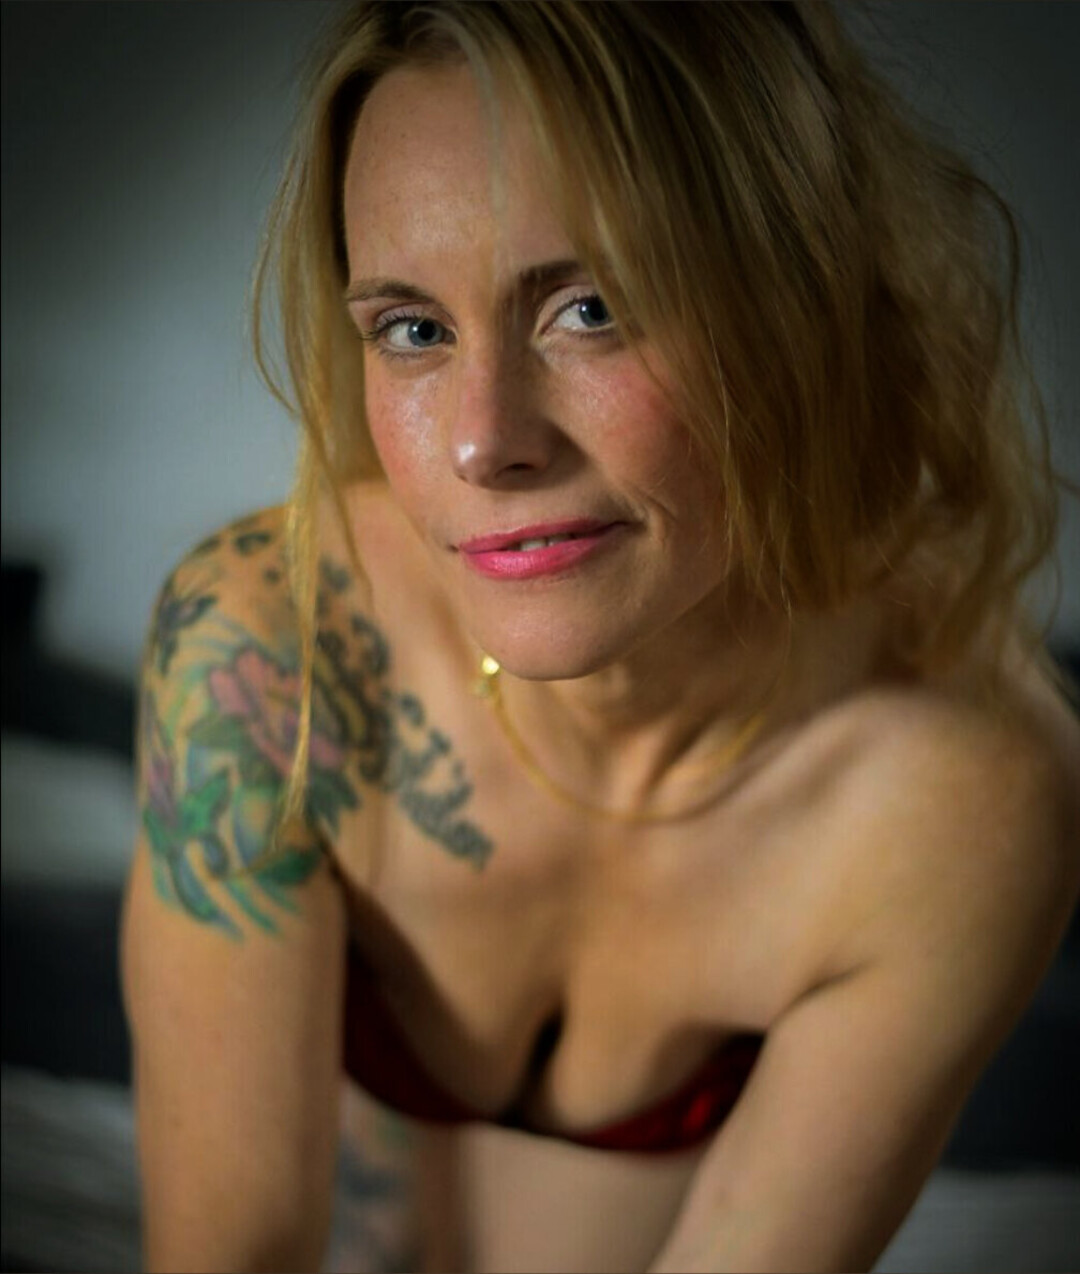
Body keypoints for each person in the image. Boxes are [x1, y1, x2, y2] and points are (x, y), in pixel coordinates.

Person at [120, 3, 1080, 1271]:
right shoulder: (268, 642)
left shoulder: (961, 794)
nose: (484, 440)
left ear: (795, 303)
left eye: (590, 308)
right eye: (412, 328)